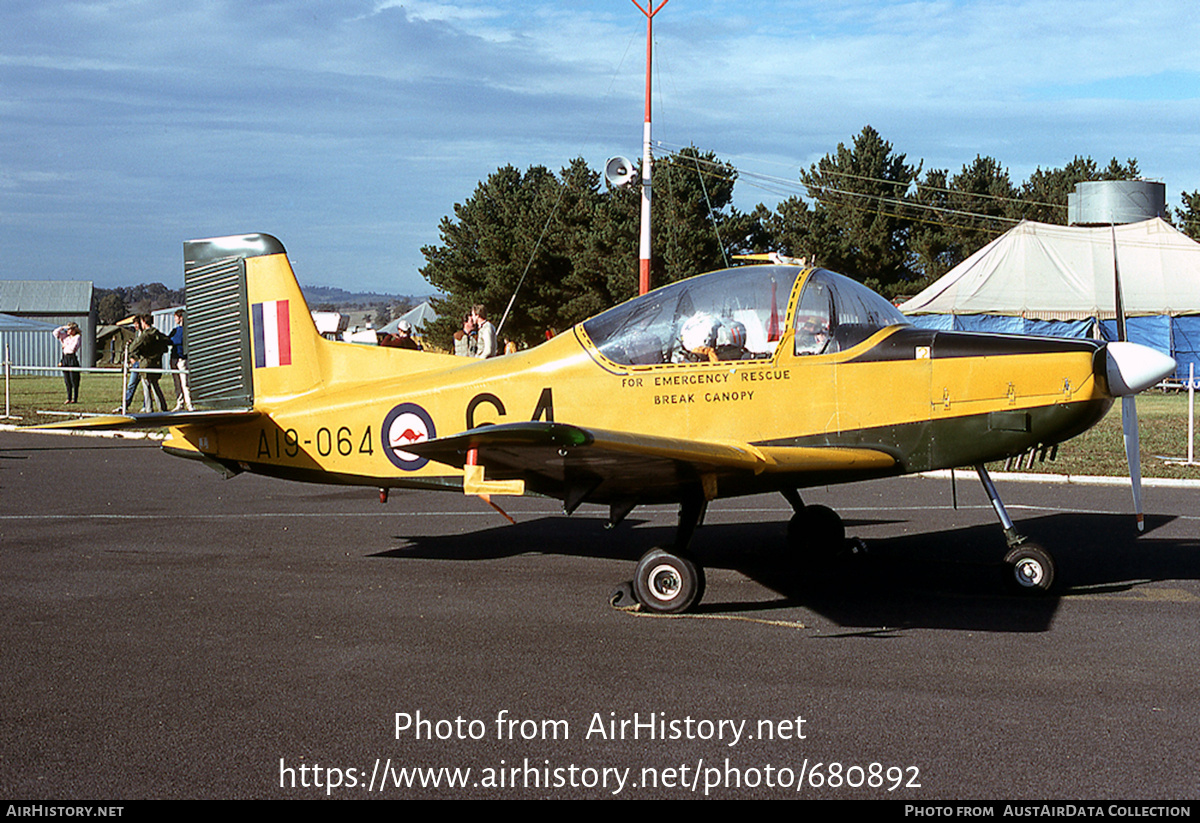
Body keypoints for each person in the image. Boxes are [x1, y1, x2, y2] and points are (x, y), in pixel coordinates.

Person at [127, 315, 170, 411]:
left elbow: (132, 348)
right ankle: (162, 408)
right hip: (157, 364)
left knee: (147, 388)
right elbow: (168, 342)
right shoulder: (157, 334)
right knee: (155, 386)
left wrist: (139, 356)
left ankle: (149, 408)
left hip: (146, 365)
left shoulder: (145, 335)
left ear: (143, 322)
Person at [169, 309, 193, 411]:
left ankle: (189, 404)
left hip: (182, 359)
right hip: (174, 358)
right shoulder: (175, 331)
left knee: (185, 383)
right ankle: (180, 403)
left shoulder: (186, 331)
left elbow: (178, 341)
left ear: (181, 317)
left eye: (176, 317)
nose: (175, 319)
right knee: (177, 383)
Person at [53, 322, 82, 404]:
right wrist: (62, 327)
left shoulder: (77, 337)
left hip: (72, 358)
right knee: (67, 380)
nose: (68, 330)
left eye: (70, 329)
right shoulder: (65, 337)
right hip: (65, 358)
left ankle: (75, 398)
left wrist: (65, 346)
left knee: (74, 379)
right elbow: (55, 333)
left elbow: (72, 349)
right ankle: (68, 397)